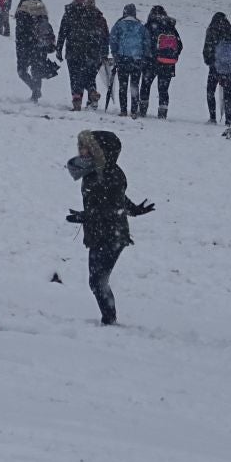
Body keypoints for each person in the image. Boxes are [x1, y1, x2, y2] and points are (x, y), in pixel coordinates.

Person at [64, 130, 156, 325]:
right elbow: (118, 201)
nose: (82, 151)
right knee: (96, 281)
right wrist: (135, 209)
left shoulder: (110, 175)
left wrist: (85, 216)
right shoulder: (94, 170)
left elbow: (113, 208)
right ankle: (109, 318)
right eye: (81, 147)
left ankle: (109, 320)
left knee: (97, 281)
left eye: (88, 148)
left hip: (112, 236)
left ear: (102, 151)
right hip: (99, 233)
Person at [55, 0, 109, 111]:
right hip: (92, 52)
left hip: (73, 51)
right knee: (88, 77)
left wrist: (59, 48)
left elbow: (63, 32)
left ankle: (77, 102)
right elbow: (105, 35)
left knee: (74, 78)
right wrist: (104, 52)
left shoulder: (70, 12)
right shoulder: (96, 15)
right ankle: (92, 93)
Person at [109, 4, 152, 119]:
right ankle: (133, 111)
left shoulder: (118, 25)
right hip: (136, 60)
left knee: (123, 86)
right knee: (134, 85)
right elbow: (147, 43)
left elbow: (113, 40)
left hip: (122, 59)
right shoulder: (141, 27)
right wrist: (144, 57)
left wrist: (115, 54)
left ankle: (123, 110)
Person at [139, 5, 181, 119]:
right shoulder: (171, 27)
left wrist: (147, 56)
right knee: (163, 89)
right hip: (168, 63)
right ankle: (162, 113)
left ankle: (142, 110)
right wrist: (172, 56)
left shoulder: (149, 26)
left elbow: (143, 44)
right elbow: (180, 45)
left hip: (151, 63)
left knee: (145, 86)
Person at [14, 0, 55, 103]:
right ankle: (35, 94)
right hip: (40, 45)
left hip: (25, 45)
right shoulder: (40, 7)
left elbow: (21, 30)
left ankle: (34, 89)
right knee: (37, 70)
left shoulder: (22, 8)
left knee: (21, 71)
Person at [203, 11, 231, 126]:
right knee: (228, 94)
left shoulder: (212, 31)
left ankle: (213, 118)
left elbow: (207, 49)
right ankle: (228, 121)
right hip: (229, 68)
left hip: (215, 66)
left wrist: (210, 62)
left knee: (210, 90)